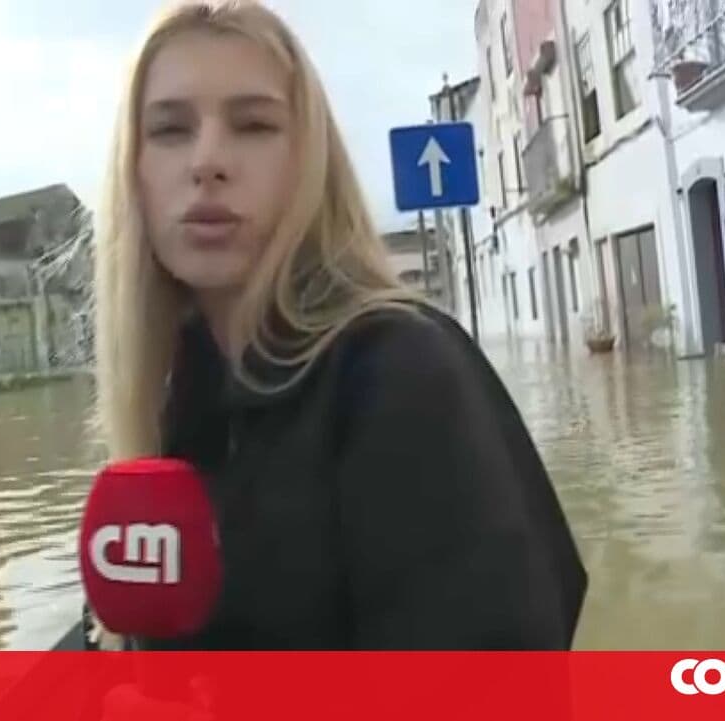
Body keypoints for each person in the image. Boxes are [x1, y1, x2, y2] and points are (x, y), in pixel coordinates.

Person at [84, 0, 587, 651]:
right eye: (171, 130)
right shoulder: (176, 401)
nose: (207, 160)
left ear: (308, 163)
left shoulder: (400, 371)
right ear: (134, 172)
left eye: (254, 125)